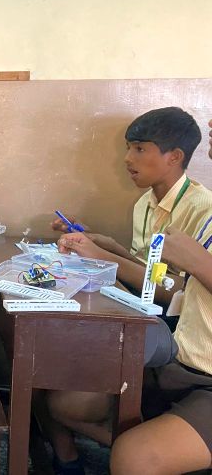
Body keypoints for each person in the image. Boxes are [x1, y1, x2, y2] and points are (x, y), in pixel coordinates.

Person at [42, 108, 211, 474]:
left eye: (138, 149)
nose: (127, 159)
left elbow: (173, 292)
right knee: (59, 391)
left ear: (174, 157)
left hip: (171, 332)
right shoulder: (145, 205)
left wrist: (103, 256)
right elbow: (152, 271)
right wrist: (104, 245)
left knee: (131, 451)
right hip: (175, 343)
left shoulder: (200, 207)